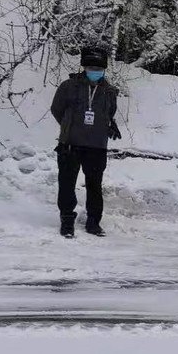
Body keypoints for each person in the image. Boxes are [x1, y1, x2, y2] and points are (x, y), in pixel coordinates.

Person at [50, 46, 122, 238]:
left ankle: (93, 222)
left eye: (99, 69)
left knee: (95, 186)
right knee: (66, 184)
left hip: (97, 147)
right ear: (84, 67)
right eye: (91, 68)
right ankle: (67, 221)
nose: (95, 72)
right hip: (70, 145)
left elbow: (109, 113)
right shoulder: (68, 86)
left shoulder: (109, 91)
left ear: (104, 69)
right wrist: (68, 126)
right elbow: (57, 109)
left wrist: (108, 125)